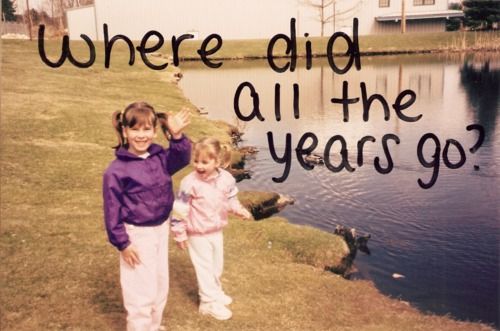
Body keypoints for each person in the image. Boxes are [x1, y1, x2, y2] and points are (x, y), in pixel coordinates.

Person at [102, 101, 191, 331]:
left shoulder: (160, 157)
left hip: (160, 230)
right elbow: (112, 212)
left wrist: (177, 134)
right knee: (140, 291)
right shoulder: (116, 171)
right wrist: (123, 244)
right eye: (135, 129)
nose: (141, 135)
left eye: (146, 129)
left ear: (154, 130)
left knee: (160, 284)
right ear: (124, 131)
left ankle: (153, 326)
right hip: (137, 235)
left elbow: (181, 158)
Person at [171, 137, 252, 321]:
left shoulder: (226, 179)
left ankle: (215, 292)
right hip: (197, 233)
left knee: (217, 265)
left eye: (204, 162)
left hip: (216, 230)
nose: (199, 166)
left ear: (217, 162)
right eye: (196, 161)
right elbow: (180, 209)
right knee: (205, 267)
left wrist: (239, 210)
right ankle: (207, 303)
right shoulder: (189, 182)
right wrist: (179, 233)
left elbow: (231, 199)